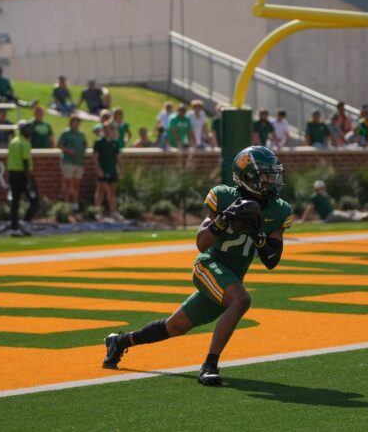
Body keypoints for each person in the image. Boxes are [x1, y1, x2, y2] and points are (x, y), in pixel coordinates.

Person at [101, 146, 293, 386]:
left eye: (274, 174)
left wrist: (258, 236)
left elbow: (272, 261)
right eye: (266, 174)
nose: (273, 180)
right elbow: (202, 243)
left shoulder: (280, 210)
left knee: (175, 326)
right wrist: (223, 219)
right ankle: (210, 364)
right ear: (248, 176)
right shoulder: (223, 196)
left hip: (231, 276)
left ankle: (120, 342)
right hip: (209, 266)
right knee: (241, 300)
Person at [7, 120, 39, 236]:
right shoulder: (25, 143)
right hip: (23, 175)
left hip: (12, 174)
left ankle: (14, 227)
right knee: (35, 200)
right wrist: (29, 181)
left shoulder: (12, 142)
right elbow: (25, 163)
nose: (29, 131)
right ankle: (25, 222)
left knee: (15, 202)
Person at [300, 180, 368, 222]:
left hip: (332, 213)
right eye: (320, 188)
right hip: (328, 216)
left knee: (349, 212)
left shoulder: (325, 196)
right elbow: (309, 208)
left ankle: (365, 214)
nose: (322, 190)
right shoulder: (315, 197)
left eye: (323, 188)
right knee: (345, 216)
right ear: (316, 189)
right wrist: (303, 219)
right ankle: (362, 217)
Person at [58, 115, 87, 210]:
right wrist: (69, 151)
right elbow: (59, 145)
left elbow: (85, 145)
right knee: (68, 185)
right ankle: (66, 205)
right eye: (74, 122)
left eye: (78, 122)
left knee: (76, 185)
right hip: (68, 162)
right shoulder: (65, 133)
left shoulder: (81, 134)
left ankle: (75, 204)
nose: (76, 124)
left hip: (79, 163)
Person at [93, 123, 122, 218]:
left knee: (112, 191)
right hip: (102, 170)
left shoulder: (115, 143)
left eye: (110, 129)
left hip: (112, 170)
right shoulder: (99, 142)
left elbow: (118, 157)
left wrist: (121, 168)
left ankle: (113, 211)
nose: (108, 131)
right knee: (102, 190)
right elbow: (95, 158)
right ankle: (98, 211)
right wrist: (98, 169)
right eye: (106, 129)